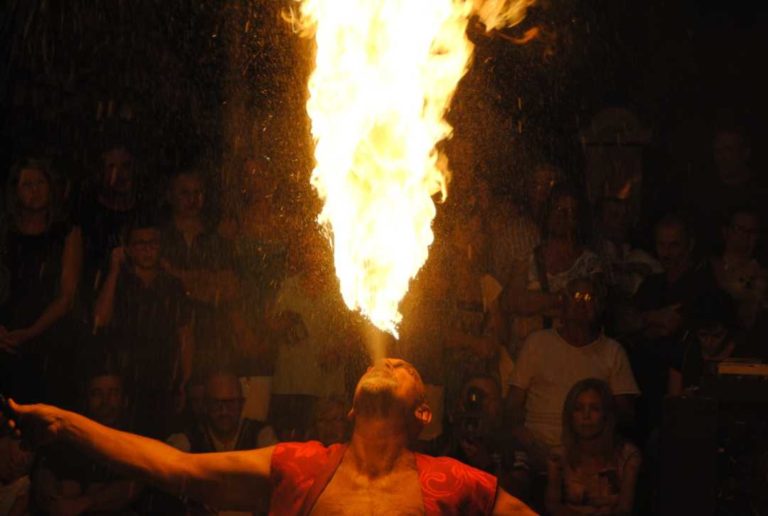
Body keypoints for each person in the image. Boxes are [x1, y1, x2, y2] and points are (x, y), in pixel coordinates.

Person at [5, 358, 535, 515]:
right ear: (352, 407)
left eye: (403, 367)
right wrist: (65, 424)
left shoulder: (455, 483)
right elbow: (173, 467)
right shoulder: (301, 466)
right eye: (380, 363)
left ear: (423, 413)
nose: (388, 362)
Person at [507, 276, 639, 472]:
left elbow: (625, 415)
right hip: (535, 450)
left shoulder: (613, 352)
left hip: (588, 458)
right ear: (564, 302)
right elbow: (512, 405)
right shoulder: (537, 343)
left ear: (599, 307)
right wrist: (530, 443)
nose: (581, 304)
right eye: (576, 296)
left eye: (589, 298)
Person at [92, 215, 193, 437]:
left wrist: (184, 381)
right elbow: (99, 319)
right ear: (128, 249)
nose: (147, 250)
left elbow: (185, 334)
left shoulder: (172, 285)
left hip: (162, 379)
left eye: (153, 243)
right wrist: (114, 269)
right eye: (140, 244)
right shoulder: (119, 281)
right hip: (125, 379)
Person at [0, 157, 82, 405]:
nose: (34, 191)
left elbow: (67, 295)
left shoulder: (66, 232)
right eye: (27, 184)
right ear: (15, 191)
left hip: (50, 335)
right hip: (6, 334)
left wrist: (31, 332)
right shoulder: (5, 231)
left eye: (40, 183)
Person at [30, 368, 143, 514]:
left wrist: (83, 503)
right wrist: (52, 498)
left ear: (125, 400)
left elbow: (133, 486)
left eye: (113, 393)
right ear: (87, 401)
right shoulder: (70, 438)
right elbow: (44, 472)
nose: (105, 402)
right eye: (97, 393)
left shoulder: (136, 444)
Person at [502, 185, 604, 346]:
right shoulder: (526, 258)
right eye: (558, 209)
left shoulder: (590, 265)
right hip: (528, 356)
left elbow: (589, 313)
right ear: (548, 212)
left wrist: (536, 304)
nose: (563, 216)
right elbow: (512, 301)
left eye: (570, 211)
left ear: (578, 218)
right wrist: (562, 300)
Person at [545, 378, 642, 516]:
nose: (586, 416)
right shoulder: (558, 457)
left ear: (606, 415)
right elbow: (553, 506)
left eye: (595, 409)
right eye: (578, 409)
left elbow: (624, 509)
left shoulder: (628, 456)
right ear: (570, 415)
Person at [167, 371, 277, 453]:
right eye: (216, 403)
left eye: (230, 403)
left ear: (241, 404)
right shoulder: (190, 436)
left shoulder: (260, 434)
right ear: (206, 405)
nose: (224, 411)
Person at [710, 206, 766, 331]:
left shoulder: (762, 275)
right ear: (726, 231)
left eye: (752, 231)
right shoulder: (708, 268)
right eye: (740, 229)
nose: (746, 235)